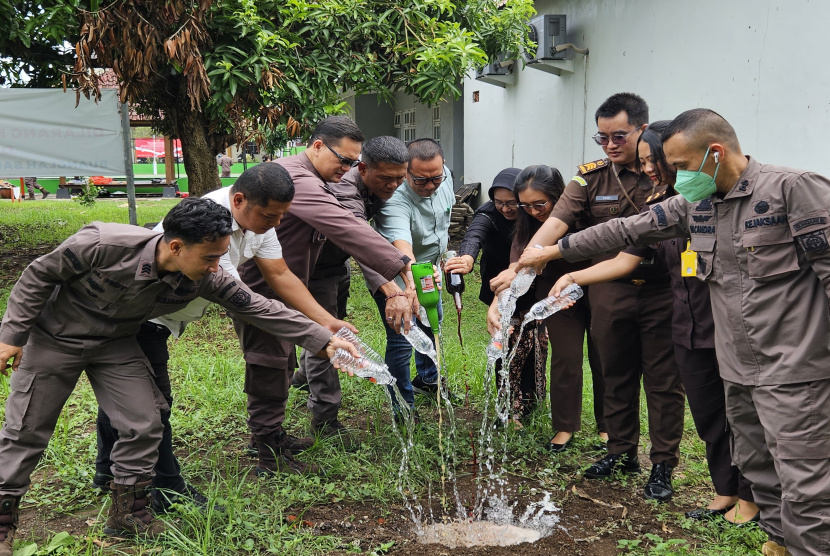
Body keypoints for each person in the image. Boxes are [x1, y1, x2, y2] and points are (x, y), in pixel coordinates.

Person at [525, 108, 830, 556]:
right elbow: (626, 229)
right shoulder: (697, 204)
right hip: (738, 371)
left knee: (807, 485)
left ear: (716, 152)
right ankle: (782, 543)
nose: (676, 177)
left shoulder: (793, 189)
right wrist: (554, 250)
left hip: (796, 373)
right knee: (759, 469)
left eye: (683, 167)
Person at [0, 198, 359, 553]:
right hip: (54, 338)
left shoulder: (205, 277)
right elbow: (38, 275)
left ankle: (129, 515)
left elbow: (259, 307)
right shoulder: (102, 243)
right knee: (26, 430)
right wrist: (11, 337)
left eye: (221, 257)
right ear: (175, 246)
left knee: (145, 422)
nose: (217, 267)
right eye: (209, 257)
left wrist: (323, 340)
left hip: (116, 343)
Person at [92, 163, 356, 504]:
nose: (276, 224)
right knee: (153, 404)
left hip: (161, 316)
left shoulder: (258, 217)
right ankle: (164, 486)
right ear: (241, 200)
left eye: (281, 216)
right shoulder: (209, 231)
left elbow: (279, 273)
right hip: (139, 316)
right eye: (269, 216)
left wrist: (325, 321)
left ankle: (105, 469)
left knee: (132, 397)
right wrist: (316, 338)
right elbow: (244, 302)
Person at [548, 121, 758, 524]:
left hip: (699, 314)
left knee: (682, 392)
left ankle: (675, 468)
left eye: (654, 160)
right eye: (644, 162)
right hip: (676, 311)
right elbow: (624, 242)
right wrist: (559, 261)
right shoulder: (668, 199)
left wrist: (561, 263)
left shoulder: (703, 196)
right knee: (632, 379)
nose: (648, 169)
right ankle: (641, 459)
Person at [502, 93, 685, 502]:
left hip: (662, 292)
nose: (609, 145)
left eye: (618, 135)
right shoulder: (591, 178)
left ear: (643, 129)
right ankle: (621, 453)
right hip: (609, 290)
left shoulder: (668, 174)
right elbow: (555, 223)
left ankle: (662, 465)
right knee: (614, 371)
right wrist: (518, 267)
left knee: (662, 382)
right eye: (600, 137)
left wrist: (558, 263)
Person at [235, 117, 416, 470]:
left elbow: (287, 265)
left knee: (287, 357)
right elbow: (344, 225)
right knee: (270, 361)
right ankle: (267, 452)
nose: (348, 169)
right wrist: (400, 266)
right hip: (261, 288)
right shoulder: (296, 178)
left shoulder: (317, 176)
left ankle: (272, 435)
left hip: (287, 281)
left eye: (353, 163)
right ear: (317, 145)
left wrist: (325, 317)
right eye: (344, 161)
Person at [291, 135, 410, 449]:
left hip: (335, 265)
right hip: (311, 270)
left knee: (334, 322)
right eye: (386, 178)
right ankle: (325, 419)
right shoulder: (345, 188)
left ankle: (302, 378)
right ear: (364, 168)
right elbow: (357, 236)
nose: (395, 185)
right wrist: (392, 288)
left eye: (401, 178)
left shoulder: (379, 184)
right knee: (329, 340)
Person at [485, 165, 606, 445]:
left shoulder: (584, 215)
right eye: (524, 205)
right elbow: (514, 268)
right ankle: (565, 426)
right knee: (566, 356)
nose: (533, 211)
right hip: (555, 296)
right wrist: (495, 305)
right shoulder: (527, 224)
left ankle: (607, 424)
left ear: (559, 195)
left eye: (540, 204)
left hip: (597, 287)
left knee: (603, 355)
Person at [372, 138, 456, 412]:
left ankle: (429, 379)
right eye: (421, 181)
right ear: (406, 172)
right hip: (395, 273)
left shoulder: (445, 178)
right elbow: (401, 243)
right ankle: (402, 406)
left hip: (429, 267)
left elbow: (443, 222)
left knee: (433, 322)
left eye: (436, 178)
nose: (431, 186)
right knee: (402, 337)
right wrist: (409, 285)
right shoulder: (393, 200)